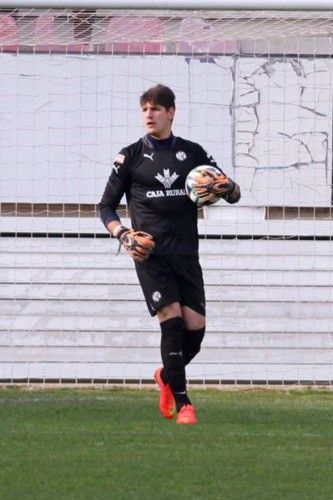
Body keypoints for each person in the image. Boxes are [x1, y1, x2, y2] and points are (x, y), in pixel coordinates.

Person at [99, 84, 240, 425]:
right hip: (151, 255)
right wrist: (123, 233)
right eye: (145, 108)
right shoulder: (130, 156)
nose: (149, 114)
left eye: (156, 109)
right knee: (172, 322)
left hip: (187, 255)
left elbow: (232, 192)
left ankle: (166, 376)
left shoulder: (192, 153)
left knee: (196, 330)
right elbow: (105, 206)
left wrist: (228, 188)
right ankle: (185, 403)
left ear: (171, 112)